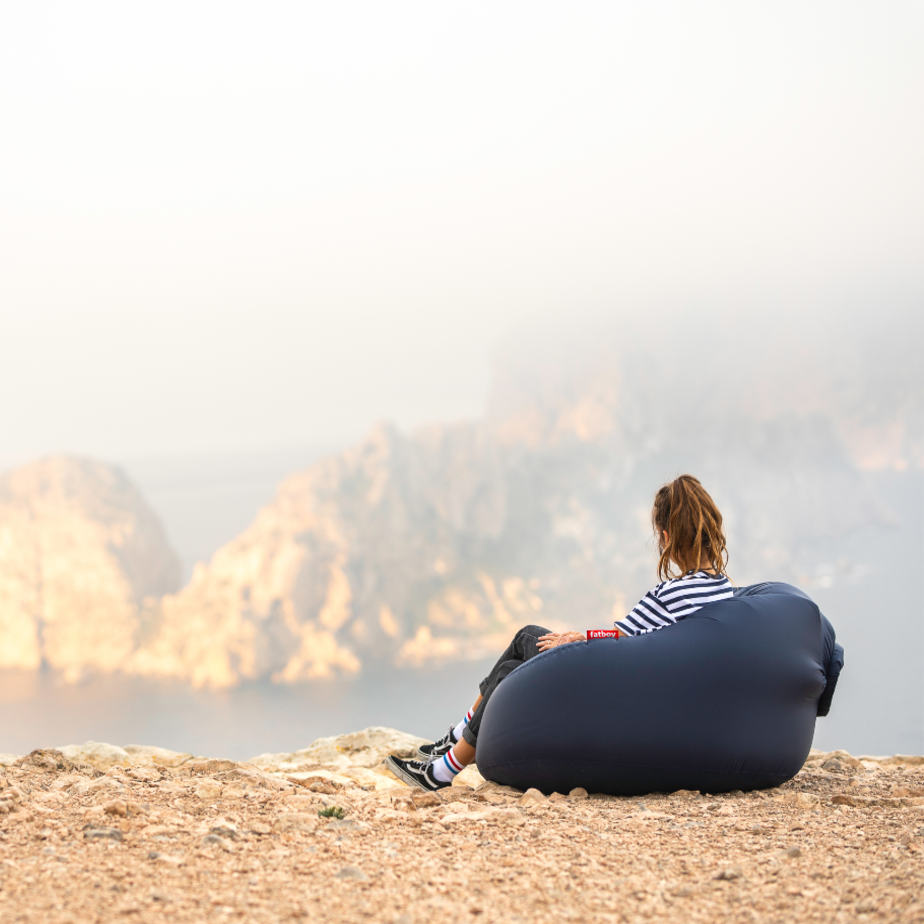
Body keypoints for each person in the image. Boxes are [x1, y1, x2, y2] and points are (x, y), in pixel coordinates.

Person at [385, 474, 734, 791]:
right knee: (509, 670)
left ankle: (450, 749)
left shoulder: (670, 593)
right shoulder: (724, 590)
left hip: (615, 691)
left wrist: (579, 638)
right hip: (656, 696)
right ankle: (445, 765)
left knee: (527, 637)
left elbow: (618, 636)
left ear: (666, 536)